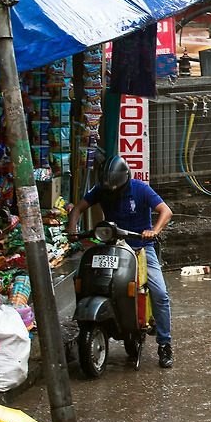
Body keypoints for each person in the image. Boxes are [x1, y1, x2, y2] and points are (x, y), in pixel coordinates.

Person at [68, 156, 175, 369]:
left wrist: (153, 231)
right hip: (111, 245)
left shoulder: (140, 189)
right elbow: (77, 209)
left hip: (140, 248)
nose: (112, 191)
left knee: (160, 293)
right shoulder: (100, 189)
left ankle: (164, 344)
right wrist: (72, 230)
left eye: (115, 187)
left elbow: (166, 211)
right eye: (108, 188)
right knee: (81, 276)